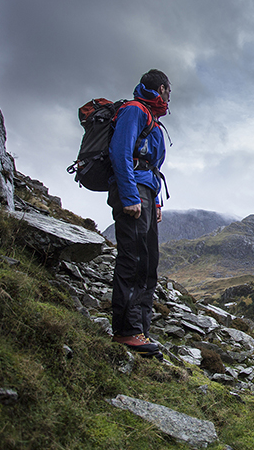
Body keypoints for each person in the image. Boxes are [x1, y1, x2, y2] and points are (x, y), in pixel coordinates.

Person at [108, 69, 171, 359]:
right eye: (169, 92)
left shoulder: (153, 120)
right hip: (131, 192)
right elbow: (120, 152)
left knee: (148, 263)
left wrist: (155, 203)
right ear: (161, 88)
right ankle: (126, 331)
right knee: (132, 260)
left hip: (146, 194)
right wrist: (131, 196)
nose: (170, 98)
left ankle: (140, 330)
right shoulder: (134, 110)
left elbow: (153, 167)